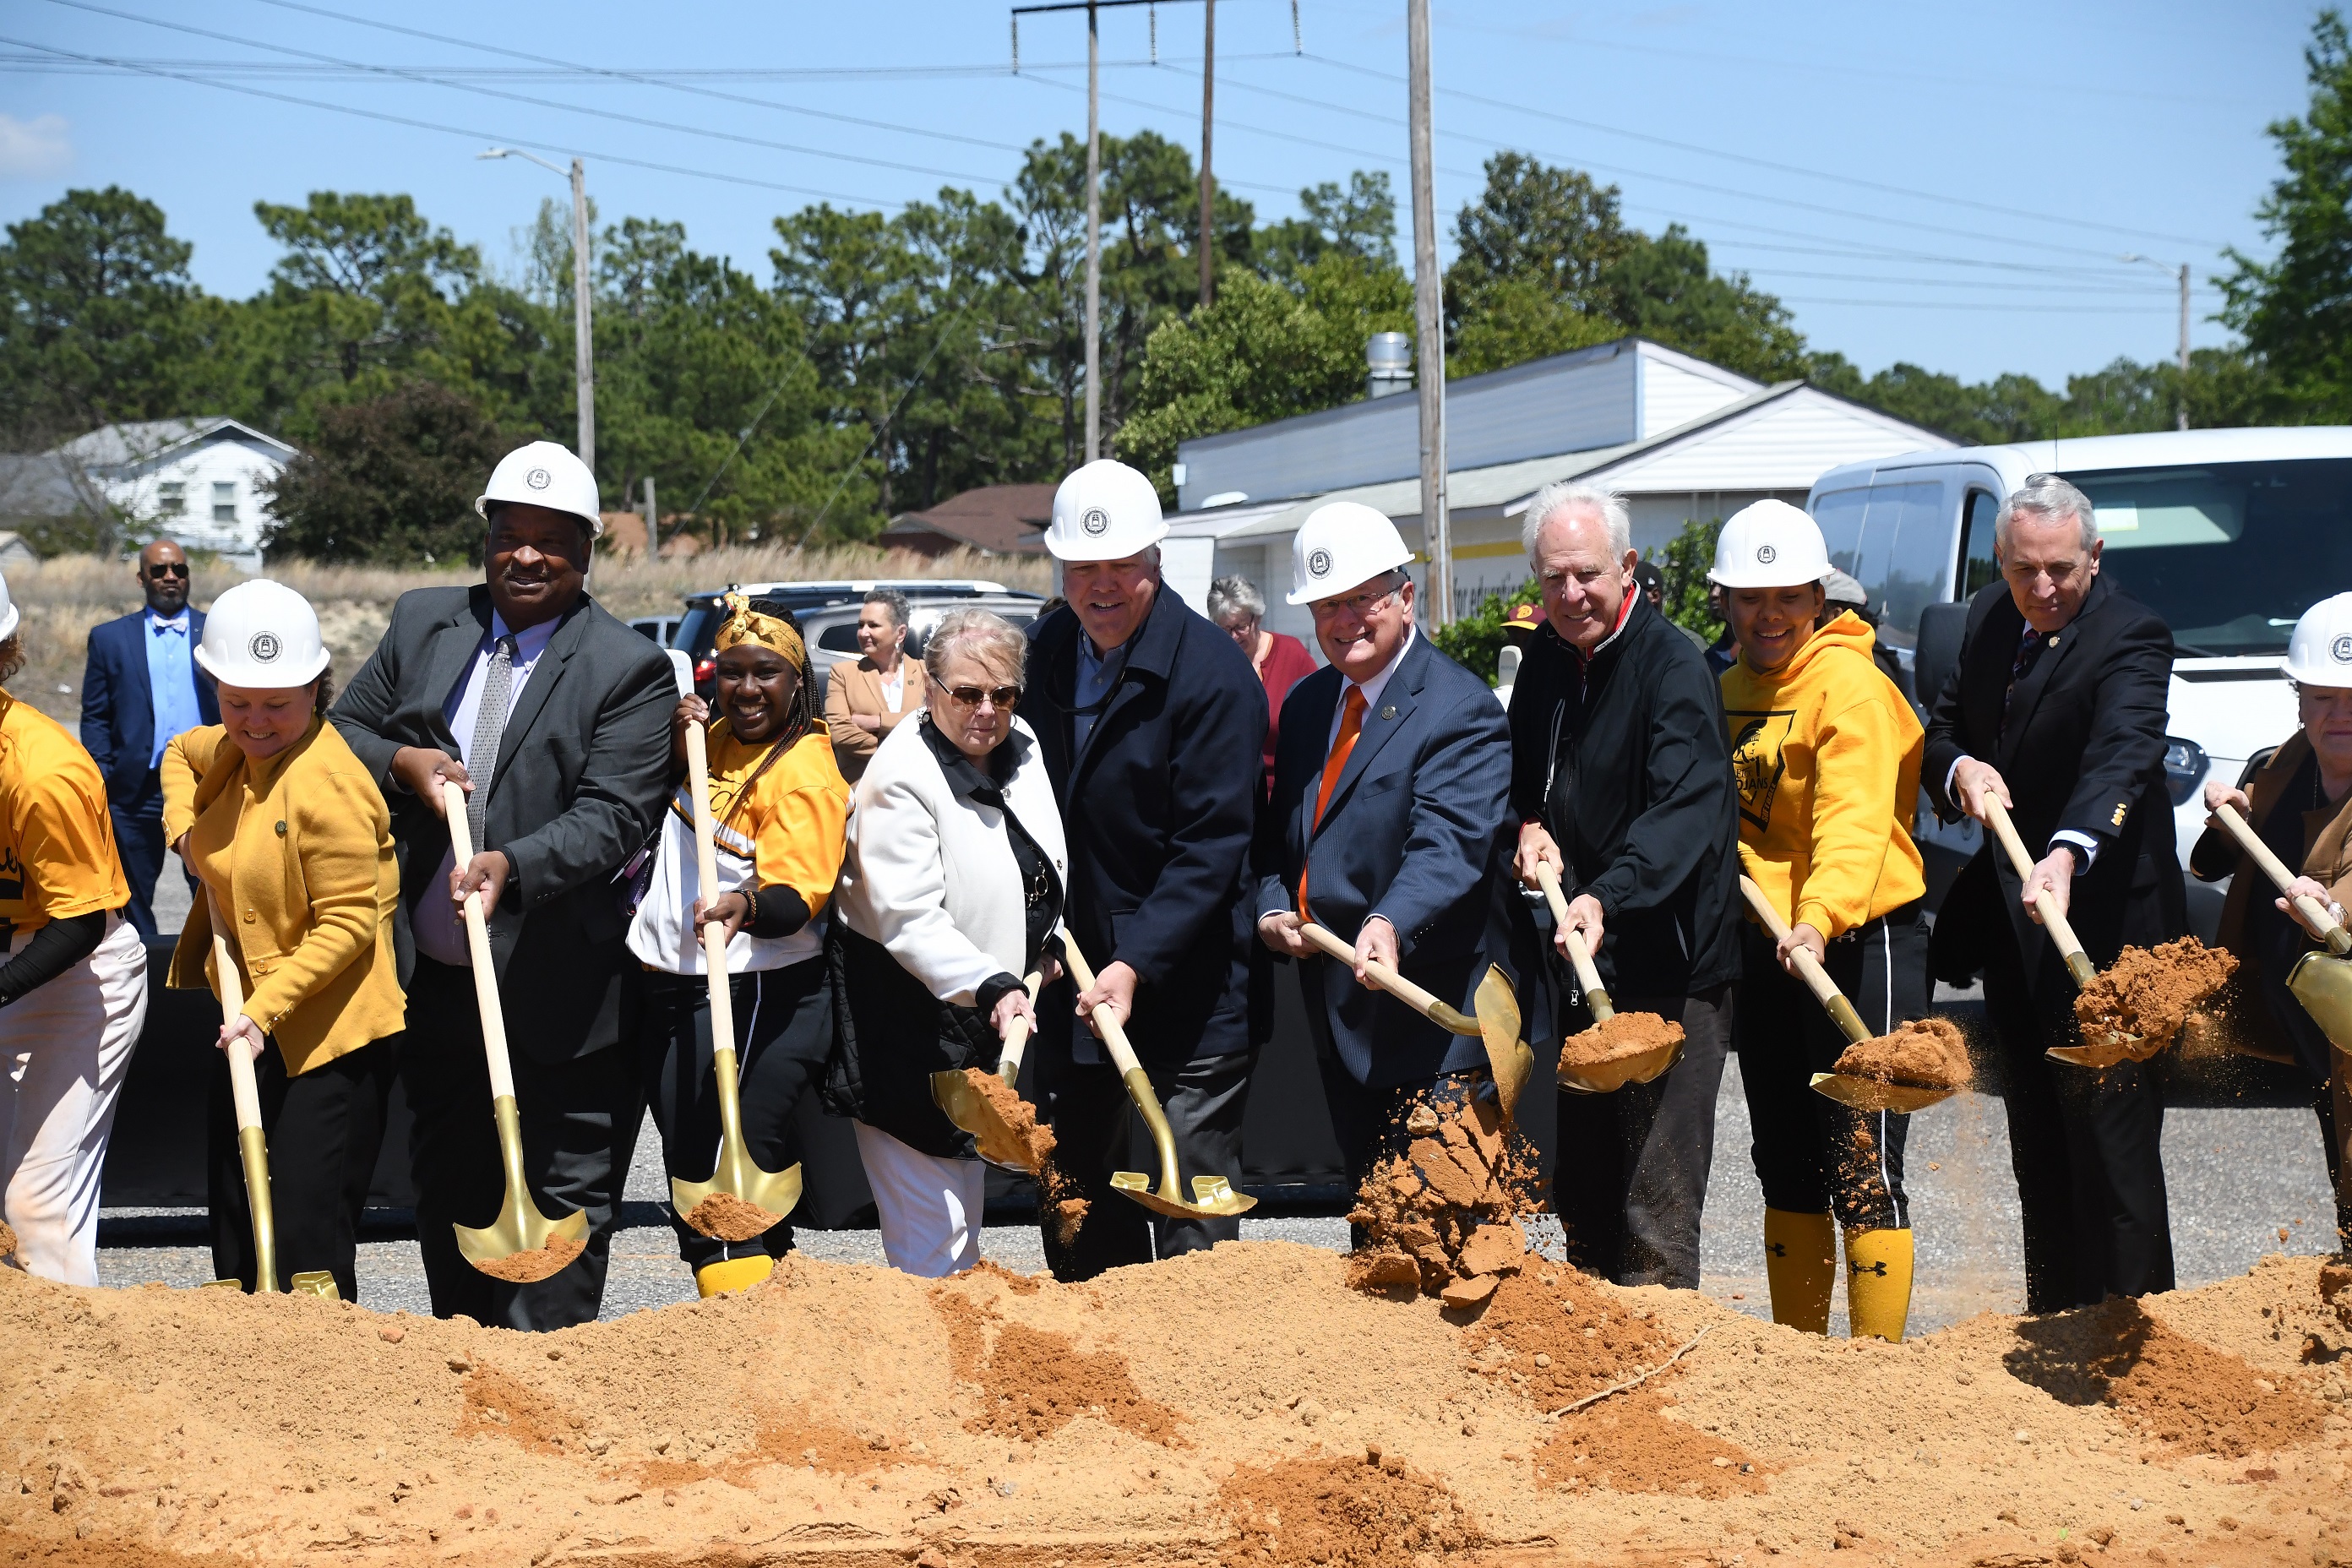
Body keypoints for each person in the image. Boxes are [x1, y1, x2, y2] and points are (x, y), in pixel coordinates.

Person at [330, 439, 675, 1331]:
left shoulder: (627, 666)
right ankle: (466, 1373)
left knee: (560, 1205)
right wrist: (402, 759)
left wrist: (512, 865)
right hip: (436, 983)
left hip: (557, 995)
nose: (525, 555)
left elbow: (616, 813)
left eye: (550, 538)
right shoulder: (421, 623)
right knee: (451, 1188)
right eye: (507, 535)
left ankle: (545, 1392)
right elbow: (341, 731)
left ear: (588, 549)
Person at [1923, 473, 2184, 1310]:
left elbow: (2125, 752)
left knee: (2112, 1133)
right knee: (2037, 1128)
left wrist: (2072, 846)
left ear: (2095, 557)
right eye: (2023, 569)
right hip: (2015, 922)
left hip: (2109, 920)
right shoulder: (1992, 619)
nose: (2042, 588)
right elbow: (1946, 727)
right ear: (1999, 563)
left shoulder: (2133, 635)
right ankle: (2060, 1315)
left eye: (2062, 570)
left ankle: (2135, 1328)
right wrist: (1961, 769)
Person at [1021, 459, 1266, 1280]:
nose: (1099, 586)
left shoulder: (1214, 676)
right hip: (1076, 989)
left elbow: (1211, 845)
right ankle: (1097, 1400)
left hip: (1183, 998)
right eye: (1081, 567)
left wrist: (1135, 960)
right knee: (1084, 1224)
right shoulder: (1048, 650)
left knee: (1187, 1228)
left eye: (1119, 566)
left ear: (1155, 561)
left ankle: (1200, 1399)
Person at [1508, 482, 1740, 1290]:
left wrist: (1608, 894)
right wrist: (1524, 826)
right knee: (1586, 1195)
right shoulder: (1543, 659)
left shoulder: (1672, 665)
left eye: (1587, 576)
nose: (1570, 596)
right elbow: (1525, 780)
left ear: (1627, 567)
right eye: (1552, 580)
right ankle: (1595, 1378)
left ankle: (1664, 1397)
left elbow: (1685, 812)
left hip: (1669, 966)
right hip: (1581, 960)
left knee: (1656, 1203)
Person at [1712, 501, 1929, 1342]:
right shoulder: (1724, 689)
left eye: (1788, 597)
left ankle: (1876, 1368)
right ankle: (1799, 1360)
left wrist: (1817, 918)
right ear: (1724, 602)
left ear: (1818, 598)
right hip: (1766, 938)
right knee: (1784, 1156)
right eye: (1750, 597)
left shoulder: (1853, 687)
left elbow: (1854, 819)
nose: (1770, 616)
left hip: (1858, 938)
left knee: (1861, 1154)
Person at [1253, 504, 1516, 1188]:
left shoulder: (1460, 708)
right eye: (1327, 605)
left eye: (1362, 600)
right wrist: (1275, 904)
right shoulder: (1310, 704)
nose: (1345, 621)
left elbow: (1449, 843)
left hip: (1431, 1026)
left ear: (1405, 597)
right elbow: (1286, 834)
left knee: (1441, 1235)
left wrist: (1386, 918)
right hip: (1339, 1014)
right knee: (1373, 1232)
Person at [162, 580, 403, 1301]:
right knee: (236, 1217)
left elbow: (350, 922)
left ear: (317, 689)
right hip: (252, 1018)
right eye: (236, 702)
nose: (255, 722)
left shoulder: (329, 785)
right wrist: (184, 830)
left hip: (327, 1036)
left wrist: (263, 1011)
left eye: (277, 704)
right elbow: (179, 751)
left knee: (307, 1238)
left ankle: (322, 1389)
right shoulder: (232, 751)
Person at [827, 610, 1068, 1276]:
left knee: (962, 1218)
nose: (986, 710)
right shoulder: (900, 774)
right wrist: (994, 981)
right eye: (966, 693)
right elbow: (907, 917)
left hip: (980, 1007)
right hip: (906, 1016)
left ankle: (953, 1364)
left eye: (1003, 694)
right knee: (932, 1236)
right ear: (929, 685)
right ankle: (923, 1371)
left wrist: (1043, 937)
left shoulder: (1019, 742)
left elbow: (1030, 855)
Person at [629, 593, 848, 1298]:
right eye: (732, 672)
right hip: (672, 985)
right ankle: (771, 1324)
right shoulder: (710, 739)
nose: (747, 689)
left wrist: (746, 904)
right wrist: (672, 740)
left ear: (798, 680)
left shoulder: (806, 770)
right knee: (694, 1162)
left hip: (758, 993)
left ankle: (746, 1350)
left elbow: (797, 897)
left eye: (767, 673)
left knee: (721, 1177)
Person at [2190, 591, 2352, 1249]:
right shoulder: (2287, 764)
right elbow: (2215, 862)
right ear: (2299, 699)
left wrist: (2339, 906)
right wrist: (2234, 811)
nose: (2340, 715)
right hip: (2316, 1025)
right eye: (2323, 698)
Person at [0, 568, 149, 1285]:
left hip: (74, 979)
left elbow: (80, 924)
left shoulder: (40, 771)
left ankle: (78, 1388)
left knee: (35, 1207)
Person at [80, 539, 219, 939]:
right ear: (142, 578)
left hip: (204, 785)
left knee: (214, 887)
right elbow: (95, 715)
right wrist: (103, 773)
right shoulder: (110, 639)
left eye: (179, 569)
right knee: (133, 898)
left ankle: (212, 982)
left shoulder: (213, 632)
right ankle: (148, 983)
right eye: (159, 571)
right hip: (135, 789)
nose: (171, 577)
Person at [1208, 574, 1317, 797]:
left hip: (1287, 794)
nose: (1233, 637)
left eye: (1240, 627)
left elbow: (1322, 721)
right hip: (1232, 796)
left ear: (1256, 618)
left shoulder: (1291, 654)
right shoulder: (1211, 663)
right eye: (1224, 629)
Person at [824, 588, 928, 783]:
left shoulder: (925, 673)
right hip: (862, 789)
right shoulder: (843, 674)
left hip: (917, 785)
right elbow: (839, 733)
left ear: (900, 633)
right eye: (861, 625)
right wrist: (906, 749)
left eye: (873, 625)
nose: (864, 632)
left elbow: (932, 722)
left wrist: (876, 722)